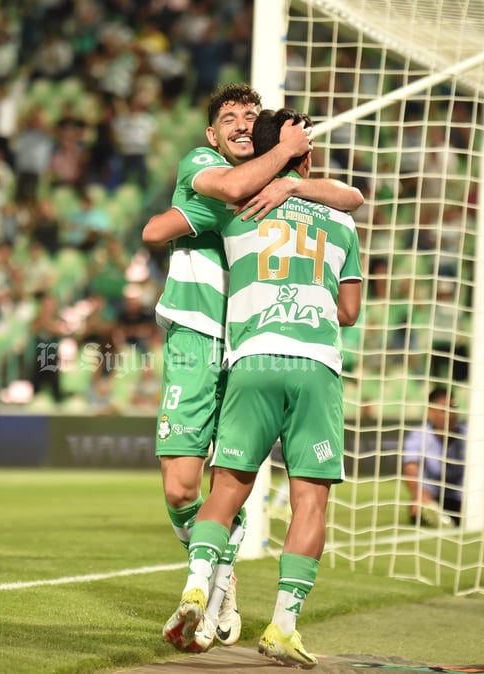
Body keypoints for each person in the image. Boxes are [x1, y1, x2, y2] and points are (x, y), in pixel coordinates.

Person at [143, 85, 363, 654]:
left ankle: (209, 584)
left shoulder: (250, 204)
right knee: (181, 487)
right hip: (202, 341)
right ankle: (238, 584)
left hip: (248, 349)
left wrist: (287, 179)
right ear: (212, 136)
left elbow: (157, 229)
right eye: (228, 118)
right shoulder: (211, 171)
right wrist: (289, 164)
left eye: (250, 118)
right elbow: (353, 200)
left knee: (228, 485)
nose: (240, 124)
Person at [402, 386, 484, 527]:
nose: (449, 414)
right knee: (419, 507)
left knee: (478, 514)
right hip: (431, 496)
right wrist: (418, 494)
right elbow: (410, 468)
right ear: (430, 412)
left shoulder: (469, 435)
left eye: (453, 407)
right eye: (443, 409)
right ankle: (430, 514)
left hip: (461, 497)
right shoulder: (418, 436)